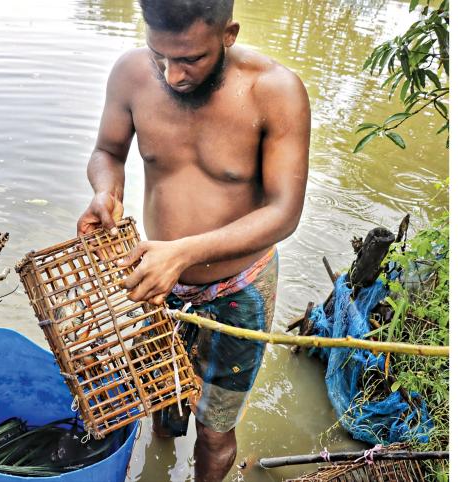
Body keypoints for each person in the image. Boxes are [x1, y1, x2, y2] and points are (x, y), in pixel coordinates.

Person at [76, 1, 310, 480]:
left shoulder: (275, 91)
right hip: (158, 283)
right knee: (158, 397)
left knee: (216, 430)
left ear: (228, 34)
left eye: (191, 60)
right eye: (159, 54)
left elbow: (284, 213)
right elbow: (107, 151)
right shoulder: (132, 74)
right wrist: (106, 191)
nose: (173, 74)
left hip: (237, 289)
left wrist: (183, 252)